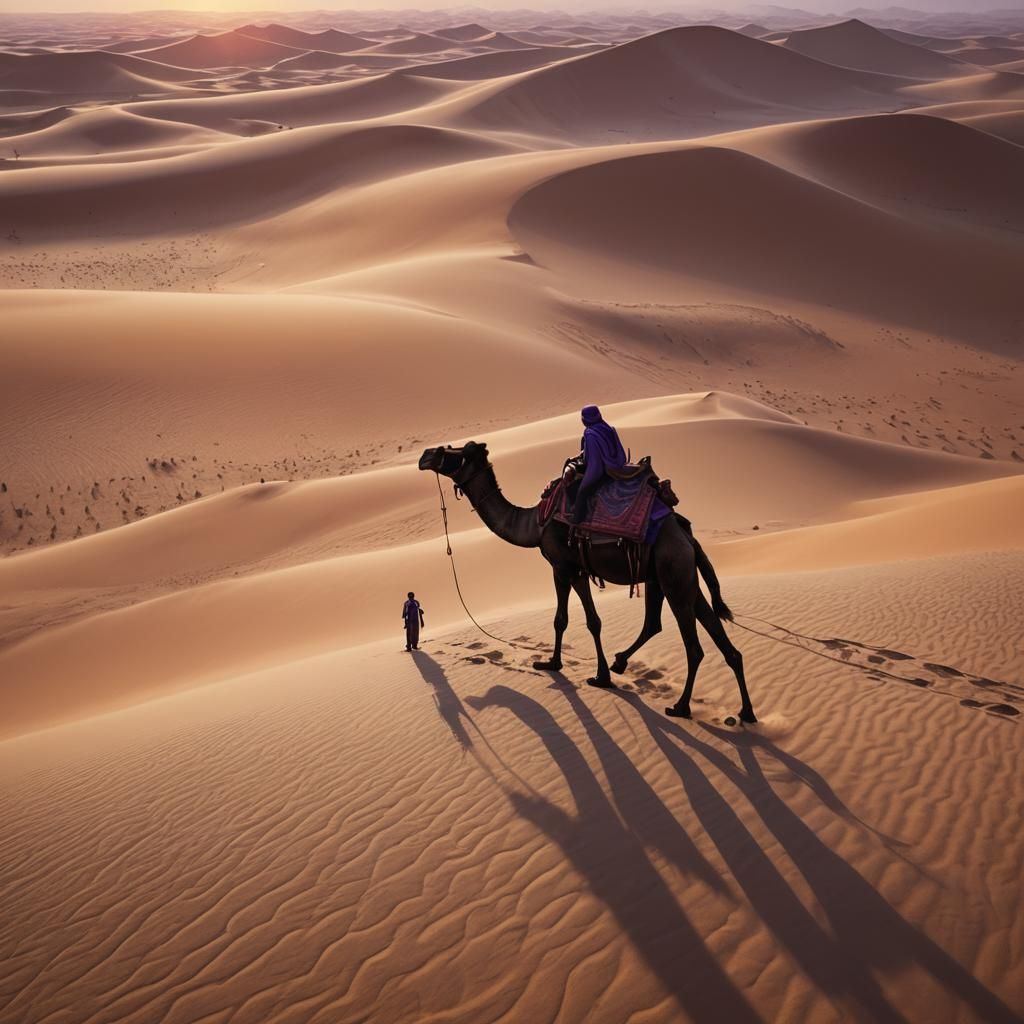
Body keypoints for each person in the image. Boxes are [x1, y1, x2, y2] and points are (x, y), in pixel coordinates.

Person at [570, 404, 627, 524]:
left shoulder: (590, 434)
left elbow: (595, 464)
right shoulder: (608, 428)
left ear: (584, 419)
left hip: (603, 472)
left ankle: (577, 522)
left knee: (581, 492)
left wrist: (586, 482)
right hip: (616, 468)